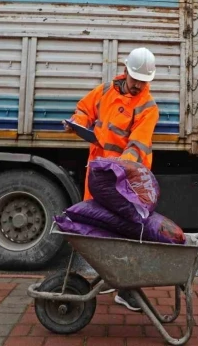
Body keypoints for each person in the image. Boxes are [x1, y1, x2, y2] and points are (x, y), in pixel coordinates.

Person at [63, 47, 159, 312]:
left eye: (144, 80)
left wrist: (121, 166)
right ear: (126, 71)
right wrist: (76, 123)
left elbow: (137, 143)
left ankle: (123, 286)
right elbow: (84, 110)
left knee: (126, 231)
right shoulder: (105, 91)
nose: (139, 84)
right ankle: (115, 280)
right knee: (99, 228)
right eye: (136, 78)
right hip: (99, 174)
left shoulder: (148, 107)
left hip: (126, 181)